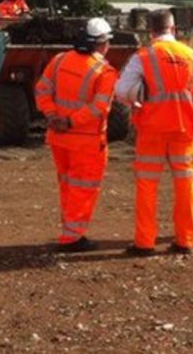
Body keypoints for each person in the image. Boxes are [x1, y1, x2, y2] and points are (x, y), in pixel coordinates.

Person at [114, 9, 193, 256]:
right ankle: (185, 240)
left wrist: (136, 100)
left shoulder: (143, 56)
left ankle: (145, 242)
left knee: (147, 185)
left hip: (151, 129)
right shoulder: (192, 55)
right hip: (184, 130)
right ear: (174, 29)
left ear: (150, 31)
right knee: (185, 184)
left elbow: (122, 90)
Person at [34, 18, 118, 252]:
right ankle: (73, 237)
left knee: (68, 186)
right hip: (86, 141)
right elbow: (99, 108)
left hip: (59, 138)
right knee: (83, 188)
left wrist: (52, 116)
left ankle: (69, 231)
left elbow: (42, 90)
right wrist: (70, 121)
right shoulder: (104, 71)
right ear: (101, 44)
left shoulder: (59, 60)